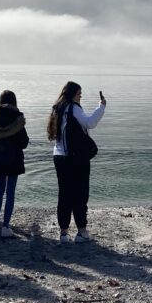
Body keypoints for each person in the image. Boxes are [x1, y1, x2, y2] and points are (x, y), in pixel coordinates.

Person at [47, 81, 106, 243]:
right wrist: (101, 107)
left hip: (59, 156)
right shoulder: (73, 108)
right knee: (80, 194)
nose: (81, 96)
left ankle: (64, 233)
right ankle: (81, 232)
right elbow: (90, 123)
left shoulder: (57, 108)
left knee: (64, 194)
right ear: (73, 94)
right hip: (75, 158)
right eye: (79, 94)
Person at [0, 90, 29, 237]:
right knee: (10, 193)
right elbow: (24, 142)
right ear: (14, 101)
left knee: (0, 189)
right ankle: (6, 227)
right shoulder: (17, 117)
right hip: (13, 158)